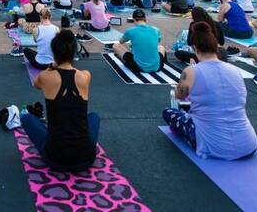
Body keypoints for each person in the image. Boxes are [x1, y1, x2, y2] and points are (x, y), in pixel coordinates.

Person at [163, 22, 257, 160]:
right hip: (248, 144)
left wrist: (191, 72)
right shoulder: (235, 70)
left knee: (169, 112)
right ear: (215, 47)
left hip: (214, 145)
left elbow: (179, 96)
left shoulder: (191, 71)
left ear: (194, 48)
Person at [20, 30, 99, 171]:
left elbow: (36, 85)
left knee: (26, 118)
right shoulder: (85, 76)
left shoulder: (46, 76)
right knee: (94, 117)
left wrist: (52, 66)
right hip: (86, 158)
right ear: (74, 52)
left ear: (54, 53)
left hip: (55, 158)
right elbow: (72, 71)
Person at [115, 9, 166, 74]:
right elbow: (157, 42)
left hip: (138, 67)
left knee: (116, 46)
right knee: (161, 47)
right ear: (145, 19)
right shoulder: (156, 30)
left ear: (133, 19)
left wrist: (133, 44)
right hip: (157, 67)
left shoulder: (130, 31)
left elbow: (121, 42)